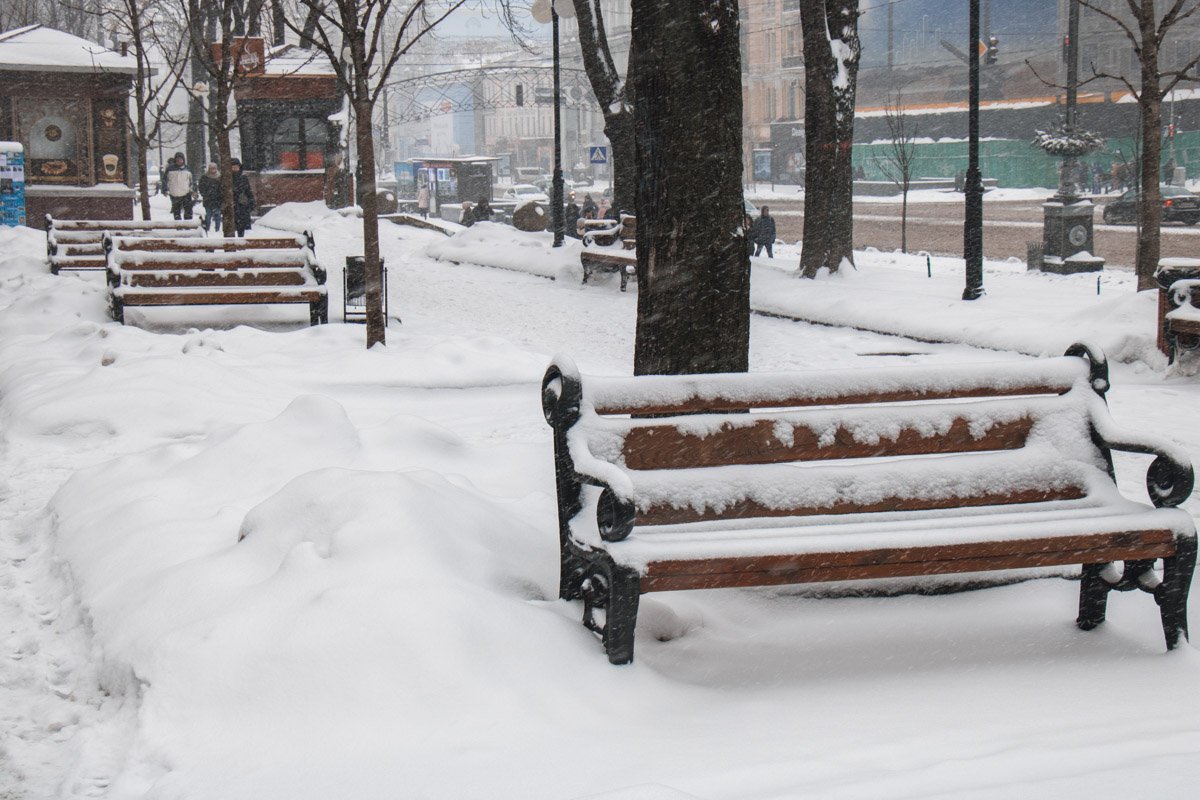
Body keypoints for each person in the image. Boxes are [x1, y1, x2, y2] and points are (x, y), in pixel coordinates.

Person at [164, 151, 194, 220]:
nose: (179, 161)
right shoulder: (170, 169)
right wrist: (164, 189)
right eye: (177, 159)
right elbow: (165, 179)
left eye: (180, 159)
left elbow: (192, 180)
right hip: (174, 193)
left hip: (186, 193)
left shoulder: (188, 169)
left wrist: (193, 190)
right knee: (176, 212)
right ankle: (179, 226)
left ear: (183, 160)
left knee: (188, 210)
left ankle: (188, 225)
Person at [229, 158, 255, 237]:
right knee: (232, 226)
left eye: (236, 167)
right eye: (233, 167)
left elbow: (248, 190)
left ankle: (240, 239)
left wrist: (251, 201)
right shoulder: (227, 178)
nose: (235, 169)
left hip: (242, 204)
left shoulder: (243, 178)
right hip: (232, 204)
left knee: (241, 225)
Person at [198, 163, 222, 234]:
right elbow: (201, 187)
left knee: (217, 215)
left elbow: (222, 188)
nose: (213, 170)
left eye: (214, 168)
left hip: (217, 200)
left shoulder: (219, 177)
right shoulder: (204, 177)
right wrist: (205, 194)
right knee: (208, 216)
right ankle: (207, 228)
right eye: (211, 168)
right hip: (208, 200)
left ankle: (217, 229)